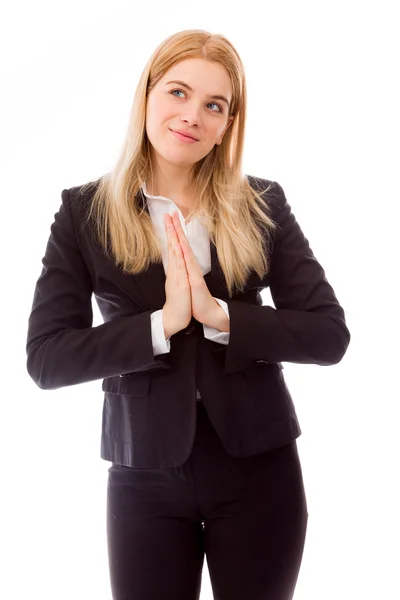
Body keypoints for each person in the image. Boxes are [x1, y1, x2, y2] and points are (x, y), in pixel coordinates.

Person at [26, 28, 351, 600]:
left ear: (229, 122)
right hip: (143, 474)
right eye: (178, 92)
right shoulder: (83, 212)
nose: (191, 115)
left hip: (261, 469)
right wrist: (164, 323)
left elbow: (328, 334)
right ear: (147, 94)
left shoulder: (262, 203)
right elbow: (47, 358)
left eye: (214, 104)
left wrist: (221, 315)